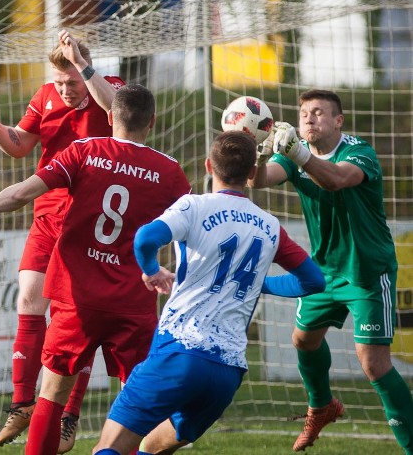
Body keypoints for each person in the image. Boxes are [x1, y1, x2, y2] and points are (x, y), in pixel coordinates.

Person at [0, 83, 192, 455]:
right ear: (152, 122)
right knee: (139, 398)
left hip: (77, 300)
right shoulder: (169, 172)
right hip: (133, 303)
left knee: (51, 395)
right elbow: (194, 226)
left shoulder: (84, 151)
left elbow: (24, 192)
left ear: (109, 118)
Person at [93, 131, 326, 455]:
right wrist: (262, 283)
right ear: (252, 174)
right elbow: (315, 281)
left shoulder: (194, 206)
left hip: (179, 351)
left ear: (207, 166)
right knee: (156, 445)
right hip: (227, 372)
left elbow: (145, 238)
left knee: (109, 448)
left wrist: (151, 271)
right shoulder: (270, 226)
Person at [0, 29, 123, 451]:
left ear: (85, 70)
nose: (65, 89)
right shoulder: (44, 96)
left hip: (89, 222)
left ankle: (68, 416)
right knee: (28, 300)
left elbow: (118, 112)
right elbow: (20, 147)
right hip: (46, 214)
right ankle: (22, 404)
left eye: (71, 81)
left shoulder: (109, 89)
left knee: (76, 318)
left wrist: (85, 70)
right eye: (59, 82)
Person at [249, 89, 413, 453]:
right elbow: (259, 181)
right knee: (303, 340)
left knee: (372, 362)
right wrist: (258, 153)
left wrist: (298, 153)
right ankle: (321, 407)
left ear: (338, 121)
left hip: (366, 272)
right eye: (304, 112)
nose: (309, 118)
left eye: (319, 112)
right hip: (324, 270)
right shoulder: (294, 156)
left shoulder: (359, 152)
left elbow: (336, 179)